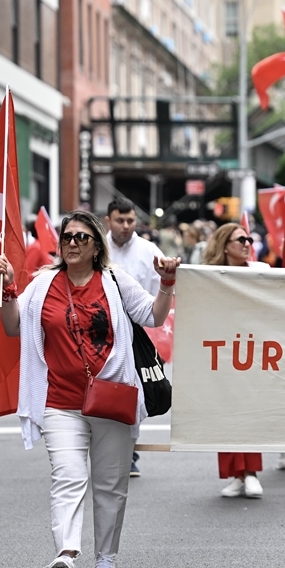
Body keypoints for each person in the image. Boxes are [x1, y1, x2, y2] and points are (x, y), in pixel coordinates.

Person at [0, 209, 180, 568]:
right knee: (67, 477)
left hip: (112, 396)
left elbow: (153, 316)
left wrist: (166, 283)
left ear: (97, 245)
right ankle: (66, 554)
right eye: (67, 237)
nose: (73, 243)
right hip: (59, 401)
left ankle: (106, 559)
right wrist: (9, 288)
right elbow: (12, 326)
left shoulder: (114, 280)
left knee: (111, 484)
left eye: (81, 237)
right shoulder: (43, 283)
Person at [202, 223, 285, 494]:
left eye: (248, 239)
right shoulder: (209, 276)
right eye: (240, 240)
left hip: (256, 352)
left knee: (249, 410)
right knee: (227, 413)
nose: (247, 243)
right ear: (225, 246)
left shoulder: (262, 271)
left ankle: (251, 473)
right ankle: (236, 476)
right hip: (223, 352)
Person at [105, 197, 164, 479]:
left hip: (135, 331)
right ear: (109, 221)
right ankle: (103, 450)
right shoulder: (97, 247)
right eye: (121, 220)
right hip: (99, 330)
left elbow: (160, 296)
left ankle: (128, 452)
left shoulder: (149, 251)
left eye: (131, 221)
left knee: (133, 391)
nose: (126, 226)